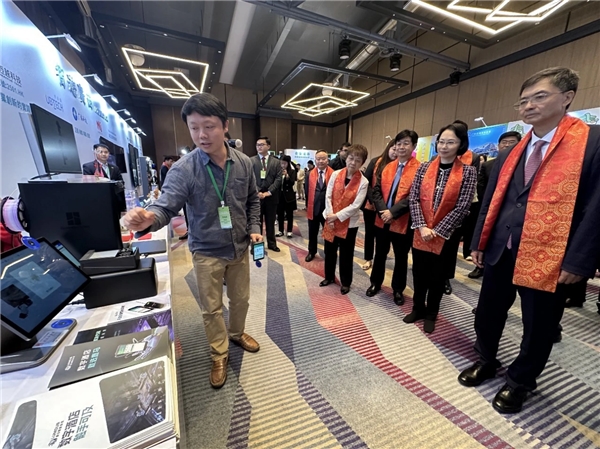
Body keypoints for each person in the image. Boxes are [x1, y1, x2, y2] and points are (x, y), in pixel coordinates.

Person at [459, 67, 600, 414]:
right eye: (523, 101)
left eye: (539, 97)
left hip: (552, 254)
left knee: (539, 325)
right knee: (488, 312)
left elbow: (598, 207)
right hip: (501, 248)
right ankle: (486, 359)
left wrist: (579, 260)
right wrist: (479, 241)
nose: (528, 106)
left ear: (567, 98)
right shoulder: (513, 150)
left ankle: (520, 380)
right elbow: (492, 199)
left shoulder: (591, 142)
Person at [122, 93, 262, 389]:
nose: (201, 135)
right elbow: (166, 205)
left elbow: (252, 200)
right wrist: (149, 218)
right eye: (194, 127)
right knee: (211, 308)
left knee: (240, 300)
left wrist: (254, 227)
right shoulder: (184, 168)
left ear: (225, 126)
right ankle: (219, 353)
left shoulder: (243, 163)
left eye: (209, 126)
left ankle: (236, 333)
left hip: (239, 247)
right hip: (207, 251)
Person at [407, 124, 477, 334]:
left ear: (460, 144)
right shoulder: (423, 168)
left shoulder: (468, 172)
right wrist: (422, 226)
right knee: (419, 273)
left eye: (450, 142)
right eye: (442, 142)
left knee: (437, 277)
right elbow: (413, 198)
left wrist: (436, 230)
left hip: (446, 235)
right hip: (420, 232)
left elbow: (463, 206)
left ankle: (431, 313)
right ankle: (418, 308)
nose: (444, 146)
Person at [367, 130, 421, 306]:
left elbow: (415, 196)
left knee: (400, 257)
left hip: (403, 221)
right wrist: (384, 211)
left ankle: (398, 289)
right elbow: (376, 190)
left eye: (406, 143)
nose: (401, 147)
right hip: (382, 218)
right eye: (398, 143)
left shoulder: (420, 168)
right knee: (380, 253)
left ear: (414, 146)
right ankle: (375, 283)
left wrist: (393, 212)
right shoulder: (387, 166)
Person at [468, 131, 522, 279]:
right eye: (504, 142)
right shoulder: (489, 165)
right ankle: (480, 266)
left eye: (511, 142)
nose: (507, 145)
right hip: (490, 209)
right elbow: (482, 187)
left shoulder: (522, 165)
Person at [319, 144, 369, 295]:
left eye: (358, 160)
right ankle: (329, 277)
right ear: (346, 158)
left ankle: (346, 282)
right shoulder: (335, 174)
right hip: (331, 220)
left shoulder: (363, 182)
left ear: (362, 163)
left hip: (349, 224)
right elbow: (328, 195)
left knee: (346, 254)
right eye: (351, 158)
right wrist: (330, 215)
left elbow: (356, 206)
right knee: (329, 251)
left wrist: (337, 216)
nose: (353, 163)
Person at [440, 120, 481, 295]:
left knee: (450, 247)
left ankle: (446, 278)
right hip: (435, 211)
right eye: (442, 141)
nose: (445, 146)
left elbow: (471, 188)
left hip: (457, 211)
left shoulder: (473, 158)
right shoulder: (436, 159)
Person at [360, 139, 397, 271]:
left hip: (389, 208)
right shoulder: (376, 161)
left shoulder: (399, 166)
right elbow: (366, 182)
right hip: (371, 206)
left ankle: (380, 259)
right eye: (393, 148)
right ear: (388, 148)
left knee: (384, 236)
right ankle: (368, 258)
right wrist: (375, 200)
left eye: (397, 149)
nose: (395, 152)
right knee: (370, 233)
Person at [251, 137, 282, 252]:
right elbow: (249, 178)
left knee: (270, 222)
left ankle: (272, 244)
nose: (259, 147)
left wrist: (268, 192)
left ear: (268, 146)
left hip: (271, 197)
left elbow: (278, 179)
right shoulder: (251, 161)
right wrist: (258, 191)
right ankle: (257, 246)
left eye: (262, 144)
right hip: (256, 197)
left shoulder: (276, 162)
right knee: (256, 223)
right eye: (257, 145)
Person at [304, 150, 333, 262]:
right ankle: (312, 251)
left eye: (323, 159)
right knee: (312, 232)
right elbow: (307, 192)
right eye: (318, 159)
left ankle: (328, 252)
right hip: (313, 208)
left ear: (327, 160)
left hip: (328, 209)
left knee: (328, 232)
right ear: (315, 160)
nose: (321, 161)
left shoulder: (334, 173)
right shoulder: (309, 174)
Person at [276, 155, 297, 238]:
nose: (283, 165)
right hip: (279, 196)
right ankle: (280, 230)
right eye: (281, 163)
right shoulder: (278, 171)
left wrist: (287, 176)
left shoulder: (292, 171)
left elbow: (292, 182)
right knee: (280, 214)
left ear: (288, 163)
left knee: (289, 214)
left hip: (289, 196)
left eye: (284, 163)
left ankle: (289, 230)